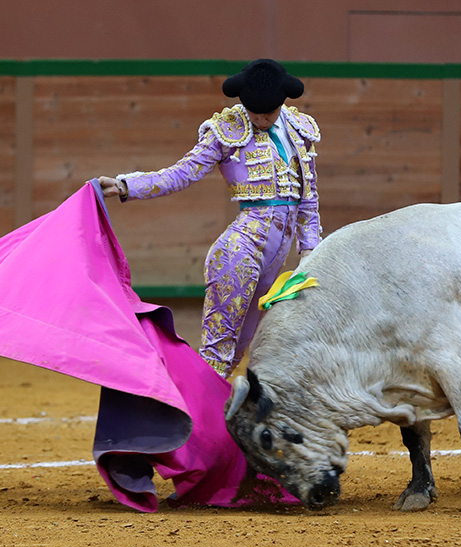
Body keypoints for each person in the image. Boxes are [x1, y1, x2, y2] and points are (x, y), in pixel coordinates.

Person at [99, 59, 322, 378]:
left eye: (269, 113)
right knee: (217, 355)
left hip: (277, 260)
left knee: (242, 348)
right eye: (254, 112)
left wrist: (310, 250)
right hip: (239, 252)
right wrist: (126, 185)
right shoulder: (226, 129)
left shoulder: (299, 129)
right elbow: (182, 173)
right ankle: (184, 403)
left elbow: (308, 196)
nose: (260, 119)